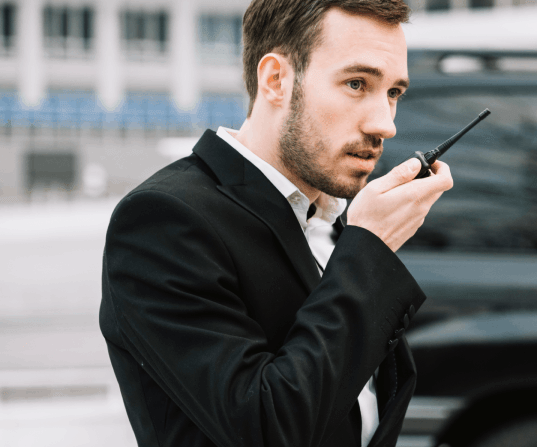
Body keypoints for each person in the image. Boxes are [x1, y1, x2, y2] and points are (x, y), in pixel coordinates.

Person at [98, 1, 453, 446]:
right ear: (276, 80)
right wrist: (369, 252)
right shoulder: (164, 220)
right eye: (357, 83)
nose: (385, 123)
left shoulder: (335, 221)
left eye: (394, 93)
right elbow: (263, 427)